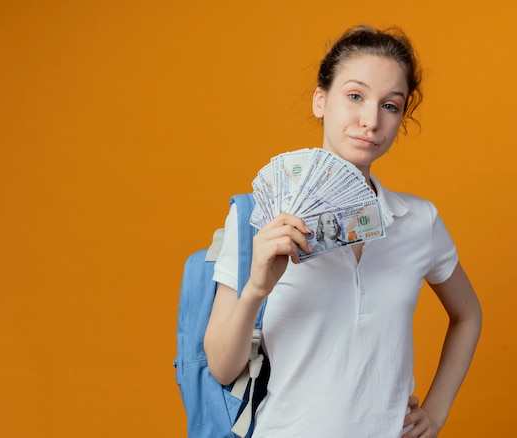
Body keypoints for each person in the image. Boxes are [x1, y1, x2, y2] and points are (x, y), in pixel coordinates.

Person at [204, 25, 482, 438]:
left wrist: (436, 413)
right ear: (321, 100)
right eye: (355, 96)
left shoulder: (418, 220)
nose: (370, 120)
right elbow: (223, 368)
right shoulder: (258, 217)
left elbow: (468, 315)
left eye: (391, 105)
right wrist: (257, 288)